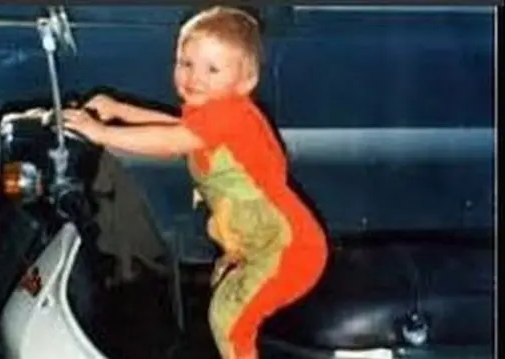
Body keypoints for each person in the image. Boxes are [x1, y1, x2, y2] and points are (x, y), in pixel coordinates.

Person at [62, 6, 328, 359]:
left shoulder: (231, 115)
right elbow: (177, 129)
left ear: (245, 81)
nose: (193, 77)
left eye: (211, 69)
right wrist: (120, 110)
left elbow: (173, 142)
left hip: (287, 252)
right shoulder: (215, 110)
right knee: (226, 303)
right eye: (185, 63)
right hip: (267, 245)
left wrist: (100, 131)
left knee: (228, 319)